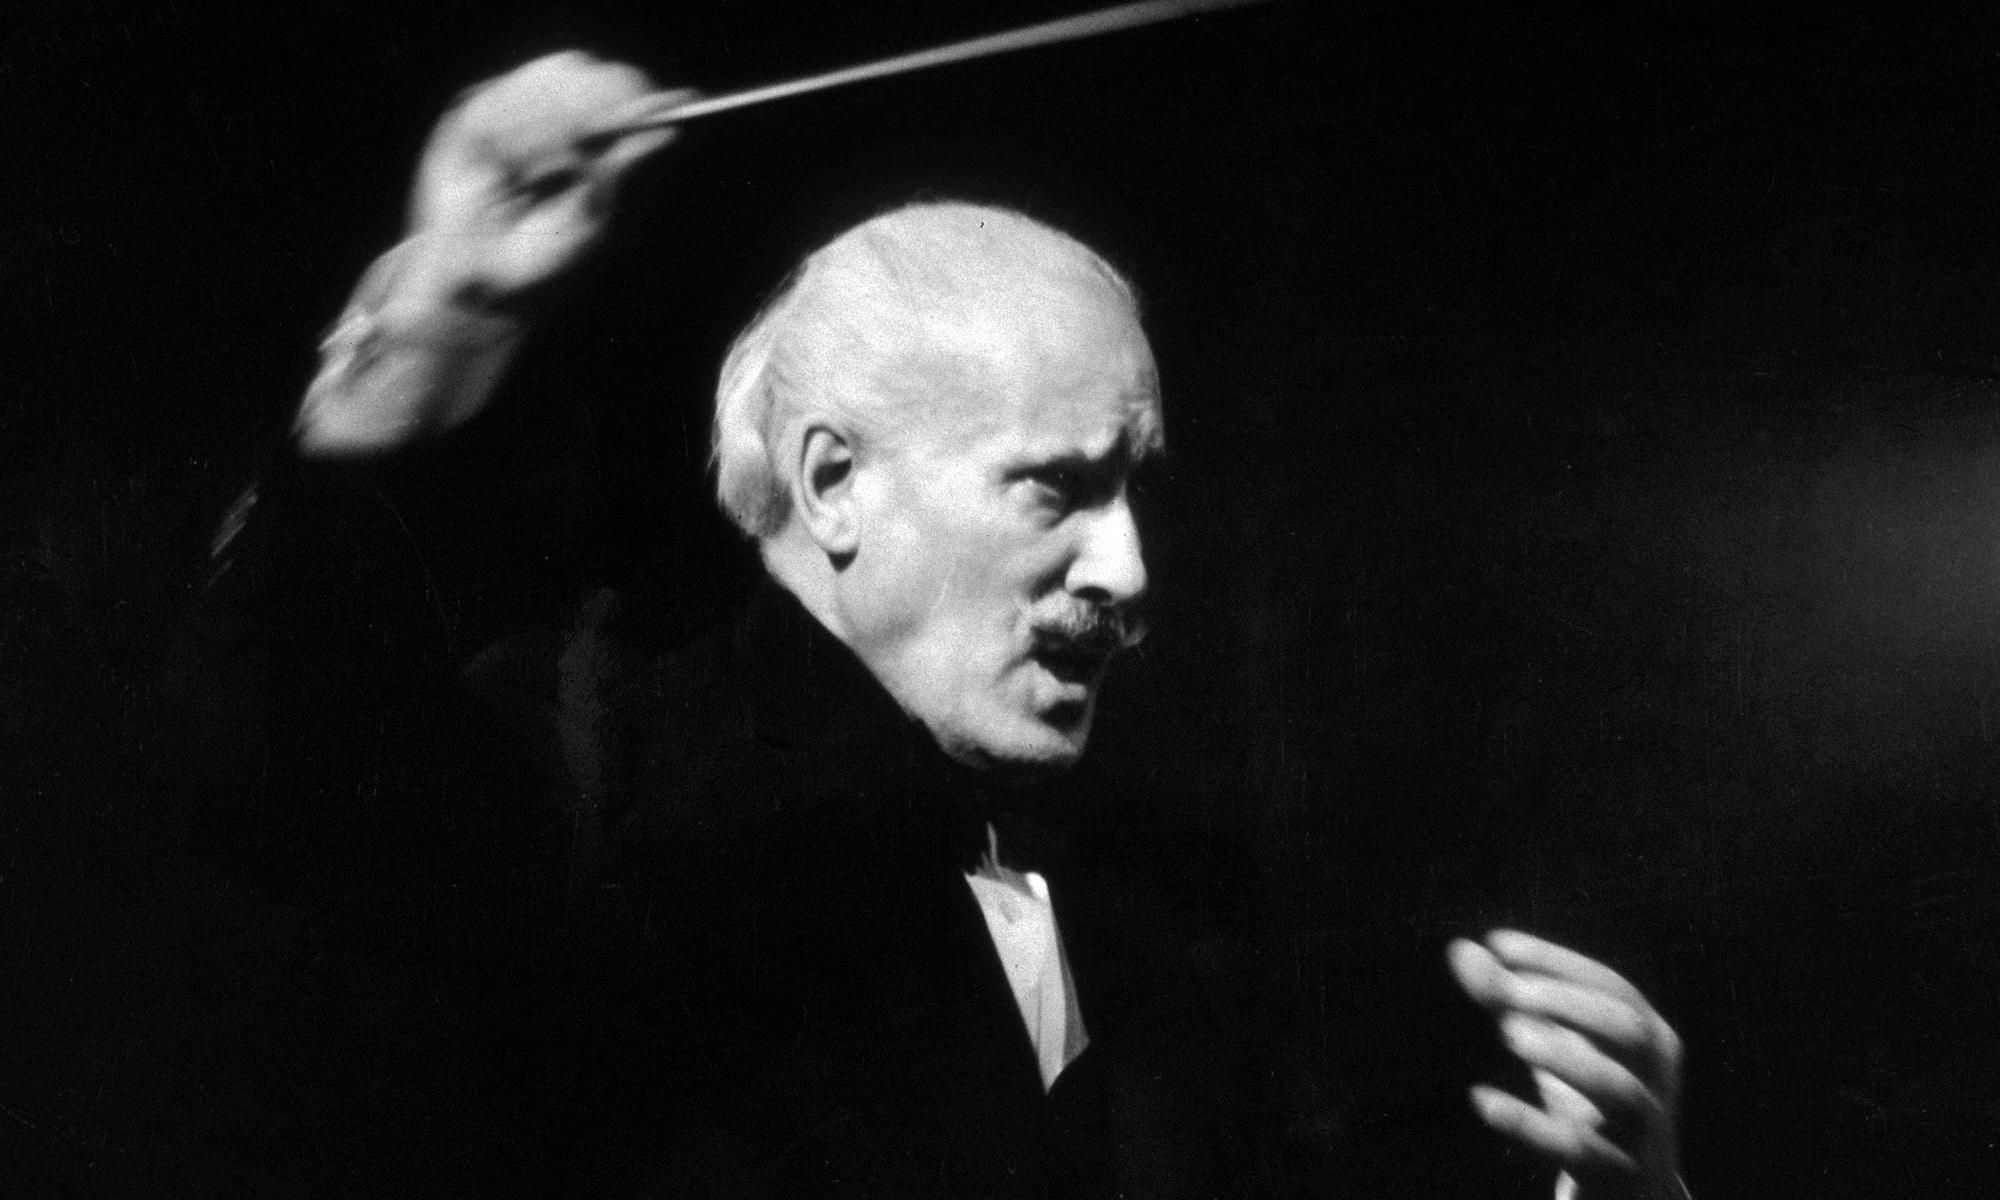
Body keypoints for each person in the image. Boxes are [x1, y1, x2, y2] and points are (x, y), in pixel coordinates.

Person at [199, 50, 1690, 1199]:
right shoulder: (587, 764)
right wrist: (437, 323)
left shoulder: (1181, 909)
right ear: (832, 483)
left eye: (1136, 491)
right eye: (1057, 486)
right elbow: (263, 772)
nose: (1128, 571)